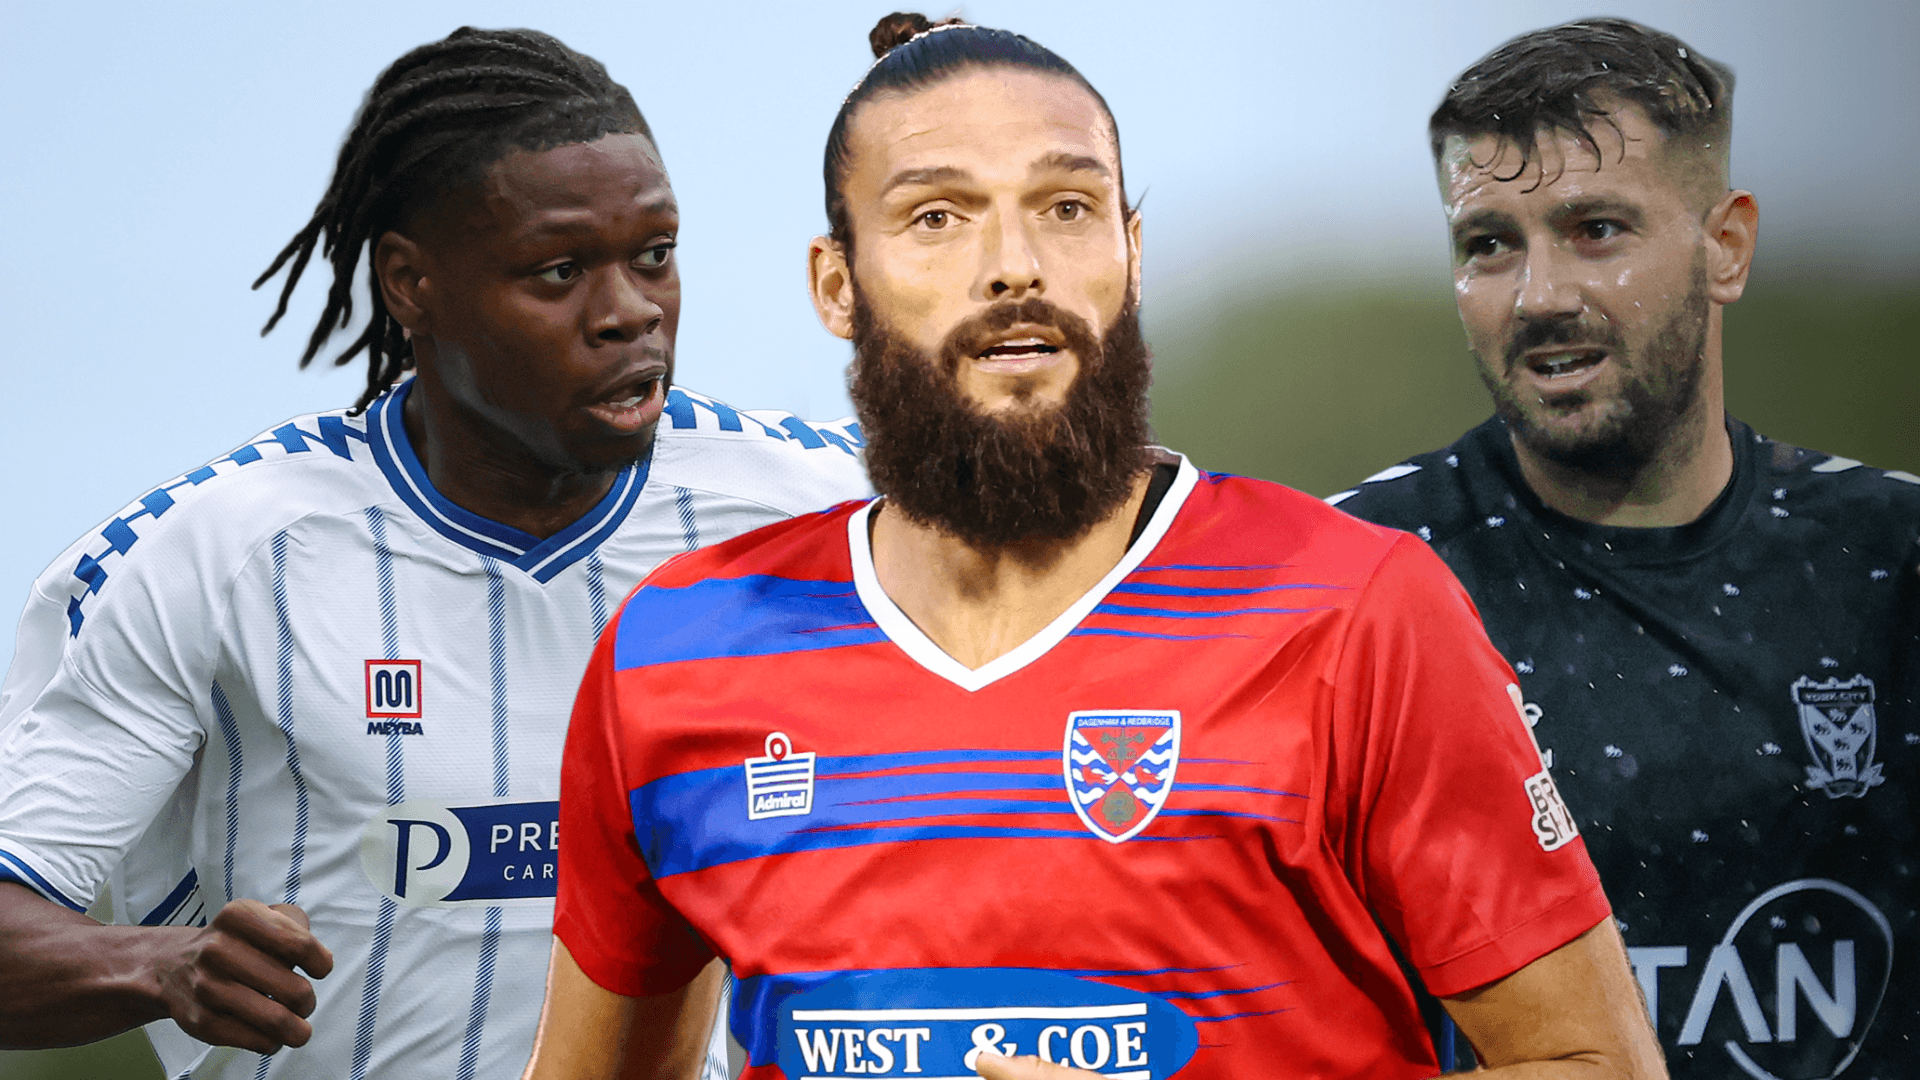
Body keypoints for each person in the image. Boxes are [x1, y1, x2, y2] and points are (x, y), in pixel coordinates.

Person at [523, 14, 1668, 1080]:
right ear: (837, 285)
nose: (1015, 264)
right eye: (937, 217)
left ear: (1130, 251)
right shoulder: (674, 655)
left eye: (1067, 207)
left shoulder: (1359, 610)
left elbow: (1596, 1064)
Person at [0, 26, 868, 1080]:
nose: (630, 312)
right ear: (411, 283)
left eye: (654, 255)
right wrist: (160, 966)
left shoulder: (827, 510)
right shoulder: (211, 555)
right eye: (560, 271)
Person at [1330, 18, 1919, 1078]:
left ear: (1725, 247)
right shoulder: (1344, 575)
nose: (1540, 296)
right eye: (1490, 245)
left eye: (1595, 229)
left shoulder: (1894, 561)